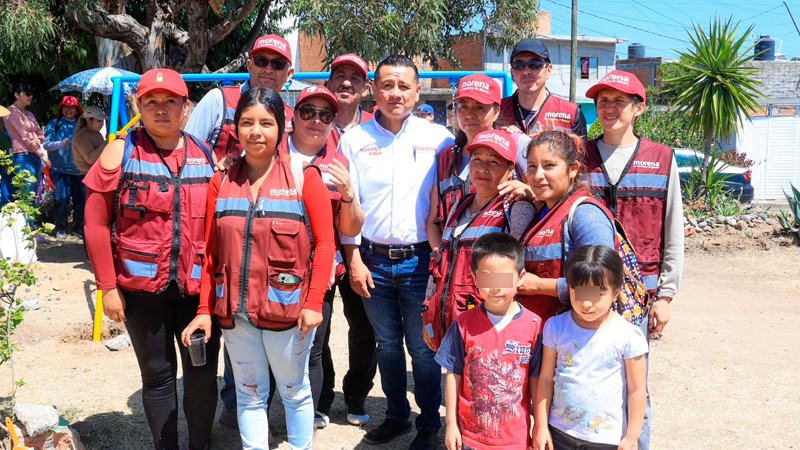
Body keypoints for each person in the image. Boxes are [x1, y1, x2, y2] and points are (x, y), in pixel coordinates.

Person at [181, 87, 335, 450]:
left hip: (287, 311)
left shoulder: (304, 177)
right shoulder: (222, 180)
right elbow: (210, 252)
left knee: (294, 391)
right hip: (235, 314)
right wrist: (204, 310)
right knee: (249, 393)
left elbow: (325, 245)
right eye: (247, 122)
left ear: (282, 128)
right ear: (235, 129)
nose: (256, 131)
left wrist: (314, 303)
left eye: (266, 123)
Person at [83, 69, 219, 450]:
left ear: (186, 108)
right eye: (152, 102)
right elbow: (94, 222)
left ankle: (200, 445)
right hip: (141, 293)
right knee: (158, 377)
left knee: (202, 374)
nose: (162, 110)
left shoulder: (204, 155)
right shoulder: (119, 151)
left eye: (170, 101)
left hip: (197, 294)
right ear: (138, 106)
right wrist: (107, 287)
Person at [338, 54, 454, 449]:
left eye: (404, 85)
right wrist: (352, 258)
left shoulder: (439, 139)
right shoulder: (354, 140)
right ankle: (397, 416)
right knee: (386, 344)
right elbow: (347, 204)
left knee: (422, 348)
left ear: (418, 90)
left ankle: (429, 424)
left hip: (422, 260)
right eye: (387, 85)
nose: (395, 93)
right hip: (372, 261)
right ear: (374, 90)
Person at [584, 70, 684, 450]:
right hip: (585, 292)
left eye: (619, 101)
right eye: (602, 101)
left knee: (634, 383)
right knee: (583, 377)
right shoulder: (580, 156)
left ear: (638, 108)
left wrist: (667, 295)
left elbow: (672, 228)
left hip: (639, 297)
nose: (609, 108)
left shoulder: (661, 159)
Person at [283, 85, 365, 429]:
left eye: (325, 114)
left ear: (333, 121)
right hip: (274, 268)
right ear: (294, 116)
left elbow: (350, 226)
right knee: (275, 342)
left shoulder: (340, 163)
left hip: (320, 269)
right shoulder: (274, 154)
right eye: (308, 112)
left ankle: (310, 415)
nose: (316, 120)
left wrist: (348, 196)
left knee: (313, 346)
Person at [422, 129, 531, 350]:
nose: (482, 168)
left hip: (489, 327)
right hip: (451, 322)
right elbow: (441, 264)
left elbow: (516, 273)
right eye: (477, 159)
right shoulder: (458, 206)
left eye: (494, 162)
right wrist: (429, 313)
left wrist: (481, 311)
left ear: (511, 169)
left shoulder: (516, 208)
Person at [533, 245, 647, 450]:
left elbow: (637, 390)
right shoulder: (555, 327)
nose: (586, 303)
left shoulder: (628, 335)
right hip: (559, 433)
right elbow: (546, 378)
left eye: (597, 294)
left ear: (616, 293)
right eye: (579, 292)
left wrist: (632, 437)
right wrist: (541, 426)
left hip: (605, 439)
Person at [436, 232, 543, 450]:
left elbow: (537, 380)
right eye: (487, 278)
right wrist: (450, 424)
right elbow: (453, 375)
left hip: (515, 439)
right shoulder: (463, 323)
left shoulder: (535, 325)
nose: (495, 287)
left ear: (521, 277)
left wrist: (540, 426)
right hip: (470, 438)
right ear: (475, 279)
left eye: (503, 278)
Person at [320, 52, 378, 427]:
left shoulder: (377, 127)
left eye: (354, 78)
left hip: (363, 243)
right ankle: (322, 396)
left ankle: (356, 395)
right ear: (328, 83)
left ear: (364, 87)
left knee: (364, 328)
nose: (345, 82)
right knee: (318, 327)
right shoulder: (312, 122)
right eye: (339, 75)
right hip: (319, 243)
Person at [517, 130, 617, 323]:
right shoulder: (541, 211)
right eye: (531, 166)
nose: (537, 175)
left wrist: (539, 286)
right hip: (544, 336)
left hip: (572, 338)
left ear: (573, 169)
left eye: (549, 166)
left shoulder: (585, 215)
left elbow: (600, 289)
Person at [427, 73, 532, 245]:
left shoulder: (516, 142)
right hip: (455, 266)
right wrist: (440, 259)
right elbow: (433, 218)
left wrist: (526, 190)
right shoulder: (446, 156)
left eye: (480, 107)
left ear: (496, 111)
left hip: (499, 264)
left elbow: (547, 195)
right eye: (463, 106)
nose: (470, 114)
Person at [185, 34, 296, 163]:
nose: (268, 69)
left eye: (278, 64)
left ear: (289, 74)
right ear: (249, 66)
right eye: (261, 61)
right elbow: (189, 152)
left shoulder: (290, 117)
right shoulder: (218, 101)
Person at [499, 39, 587, 144]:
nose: (526, 71)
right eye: (519, 65)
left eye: (535, 64)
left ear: (549, 70)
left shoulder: (571, 114)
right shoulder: (496, 110)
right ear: (512, 73)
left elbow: (582, 159)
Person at [43, 96, 85, 239]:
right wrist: (61, 143)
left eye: (72, 107)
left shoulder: (82, 124)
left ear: (77, 110)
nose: (69, 110)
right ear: (61, 109)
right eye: (66, 107)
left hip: (79, 170)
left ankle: (77, 227)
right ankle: (60, 227)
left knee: (80, 200)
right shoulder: (54, 124)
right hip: (59, 170)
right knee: (61, 199)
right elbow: (46, 144)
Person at [2, 83, 50, 204]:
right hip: (22, 157)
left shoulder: (30, 114)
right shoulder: (11, 112)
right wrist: (43, 156)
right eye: (27, 94)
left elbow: (41, 134)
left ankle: (29, 223)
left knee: (33, 195)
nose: (31, 96)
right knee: (26, 196)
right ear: (17, 95)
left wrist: (39, 140)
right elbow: (25, 137)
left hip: (34, 156)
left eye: (32, 94)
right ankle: (26, 223)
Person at [72, 106, 109, 174]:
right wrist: (106, 143)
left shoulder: (96, 133)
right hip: (87, 176)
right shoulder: (81, 136)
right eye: (99, 121)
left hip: (97, 174)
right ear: (88, 120)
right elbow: (91, 159)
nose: (102, 124)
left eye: (102, 121)